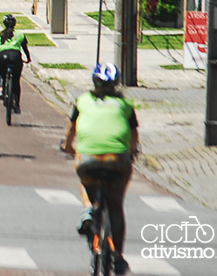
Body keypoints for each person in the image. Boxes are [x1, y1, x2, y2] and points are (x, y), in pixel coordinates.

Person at [61, 63, 138, 276]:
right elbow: (134, 138)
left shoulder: (83, 100)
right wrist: (131, 152)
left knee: (85, 179)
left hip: (88, 157)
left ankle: (88, 210)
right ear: (116, 84)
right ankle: (118, 256)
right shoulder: (126, 104)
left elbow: (70, 130)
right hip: (117, 159)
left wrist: (68, 147)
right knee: (116, 206)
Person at [0, 14, 32, 113]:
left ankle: (1, 89)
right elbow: (25, 48)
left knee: (2, 75)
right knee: (16, 81)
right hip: (16, 57)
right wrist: (28, 58)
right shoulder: (20, 34)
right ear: (15, 24)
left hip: (2, 56)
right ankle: (16, 105)